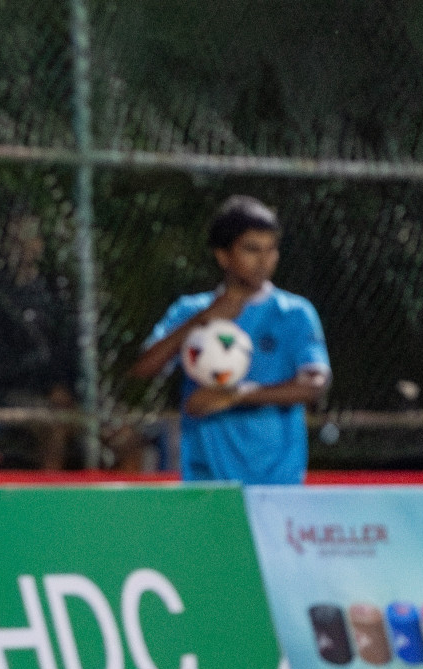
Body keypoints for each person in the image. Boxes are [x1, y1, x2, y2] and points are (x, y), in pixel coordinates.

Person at [131, 195, 330, 484]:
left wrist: (235, 395)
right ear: (223, 255)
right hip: (206, 481)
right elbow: (143, 368)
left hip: (277, 481)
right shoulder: (192, 312)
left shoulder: (294, 313)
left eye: (271, 250)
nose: (265, 261)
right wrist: (203, 319)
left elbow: (315, 385)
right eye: (252, 250)